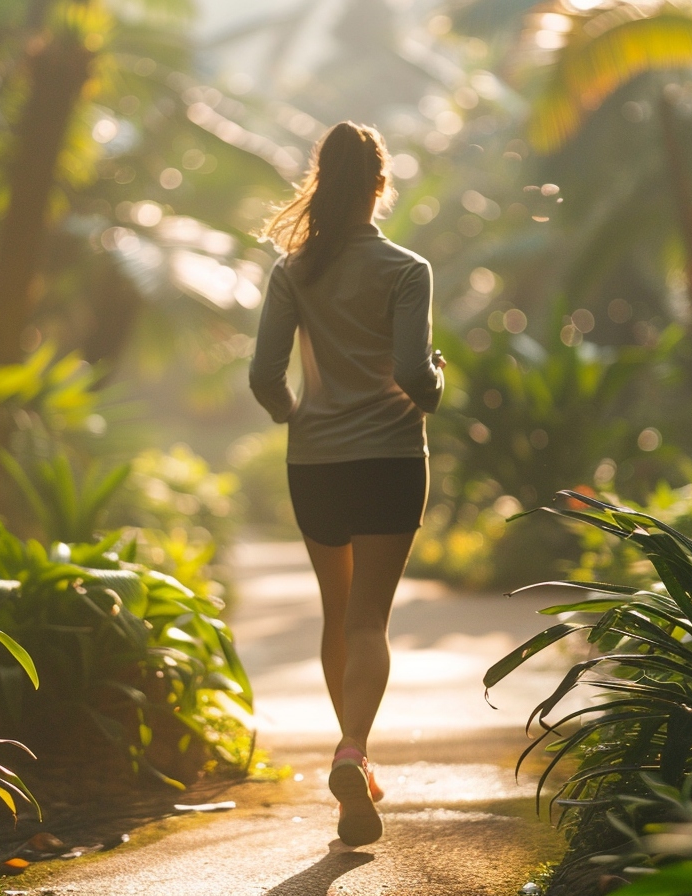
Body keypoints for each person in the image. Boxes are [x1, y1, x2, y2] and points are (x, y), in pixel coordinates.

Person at [249, 121, 445, 848]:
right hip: (391, 460)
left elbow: (264, 375)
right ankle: (354, 753)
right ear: (379, 185)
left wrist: (297, 415)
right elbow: (411, 377)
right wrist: (437, 386)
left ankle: (352, 760)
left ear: (321, 184)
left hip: (317, 464)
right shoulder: (406, 268)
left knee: (338, 616)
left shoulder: (292, 272)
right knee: (371, 622)